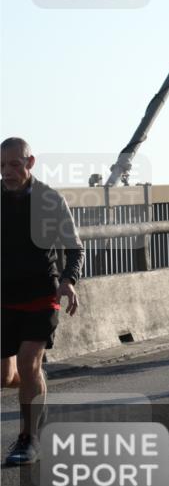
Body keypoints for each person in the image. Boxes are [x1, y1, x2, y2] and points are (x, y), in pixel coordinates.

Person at [1, 137, 83, 466]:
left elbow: (74, 247)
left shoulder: (49, 200)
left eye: (14, 165)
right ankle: (35, 380)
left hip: (41, 295)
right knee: (7, 377)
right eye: (2, 165)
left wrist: (68, 281)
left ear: (30, 163)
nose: (7, 172)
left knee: (29, 361)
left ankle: (28, 437)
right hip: (4, 297)